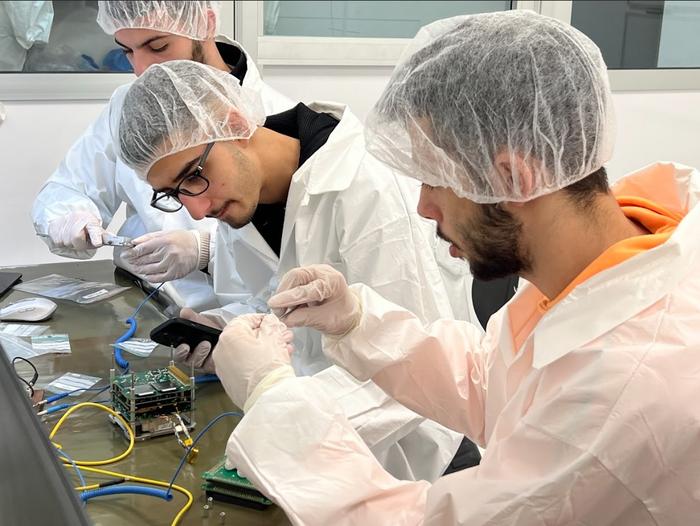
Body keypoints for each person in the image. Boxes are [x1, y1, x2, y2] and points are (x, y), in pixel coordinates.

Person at [209, 11, 700, 524]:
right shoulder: (611, 258)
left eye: (433, 179)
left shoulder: (622, 388)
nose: (423, 207)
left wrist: (273, 396)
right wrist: (357, 321)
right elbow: (496, 384)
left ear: (512, 177)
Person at [116, 59, 477, 482]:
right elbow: (266, 300)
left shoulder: (366, 183)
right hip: (320, 441)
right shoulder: (239, 196)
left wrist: (278, 406)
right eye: (173, 194)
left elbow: (413, 367)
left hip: (419, 460)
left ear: (234, 123)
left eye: (194, 176)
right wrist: (228, 333)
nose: (197, 208)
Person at [31, 1, 293, 308]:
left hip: (237, 320)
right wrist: (72, 216)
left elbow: (297, 269)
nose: (142, 70)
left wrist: (208, 249)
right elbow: (69, 186)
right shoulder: (130, 107)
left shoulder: (277, 120)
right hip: (140, 301)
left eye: (158, 46)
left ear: (205, 24)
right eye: (127, 51)